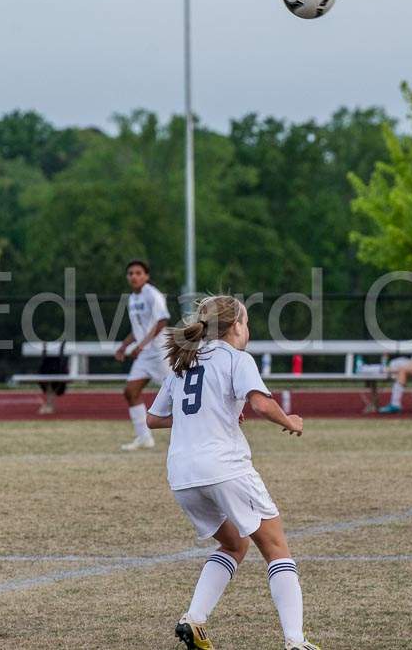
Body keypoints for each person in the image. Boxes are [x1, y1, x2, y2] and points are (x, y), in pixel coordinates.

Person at [145, 295, 319, 650]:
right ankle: (295, 642)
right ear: (236, 326)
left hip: (182, 475)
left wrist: (207, 413)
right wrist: (290, 421)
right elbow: (260, 403)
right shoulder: (237, 359)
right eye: (246, 320)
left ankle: (193, 620)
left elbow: (152, 418)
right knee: (276, 549)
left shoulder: (185, 362)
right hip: (224, 467)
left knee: (233, 544)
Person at [115, 260, 171, 451]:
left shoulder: (152, 294)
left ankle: (193, 434)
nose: (134, 276)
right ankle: (144, 438)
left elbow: (162, 321)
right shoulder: (132, 298)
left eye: (138, 273)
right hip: (145, 355)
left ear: (146, 276)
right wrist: (124, 346)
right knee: (130, 392)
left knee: (177, 394)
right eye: (130, 273)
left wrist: (141, 346)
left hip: (160, 353)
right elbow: (138, 328)